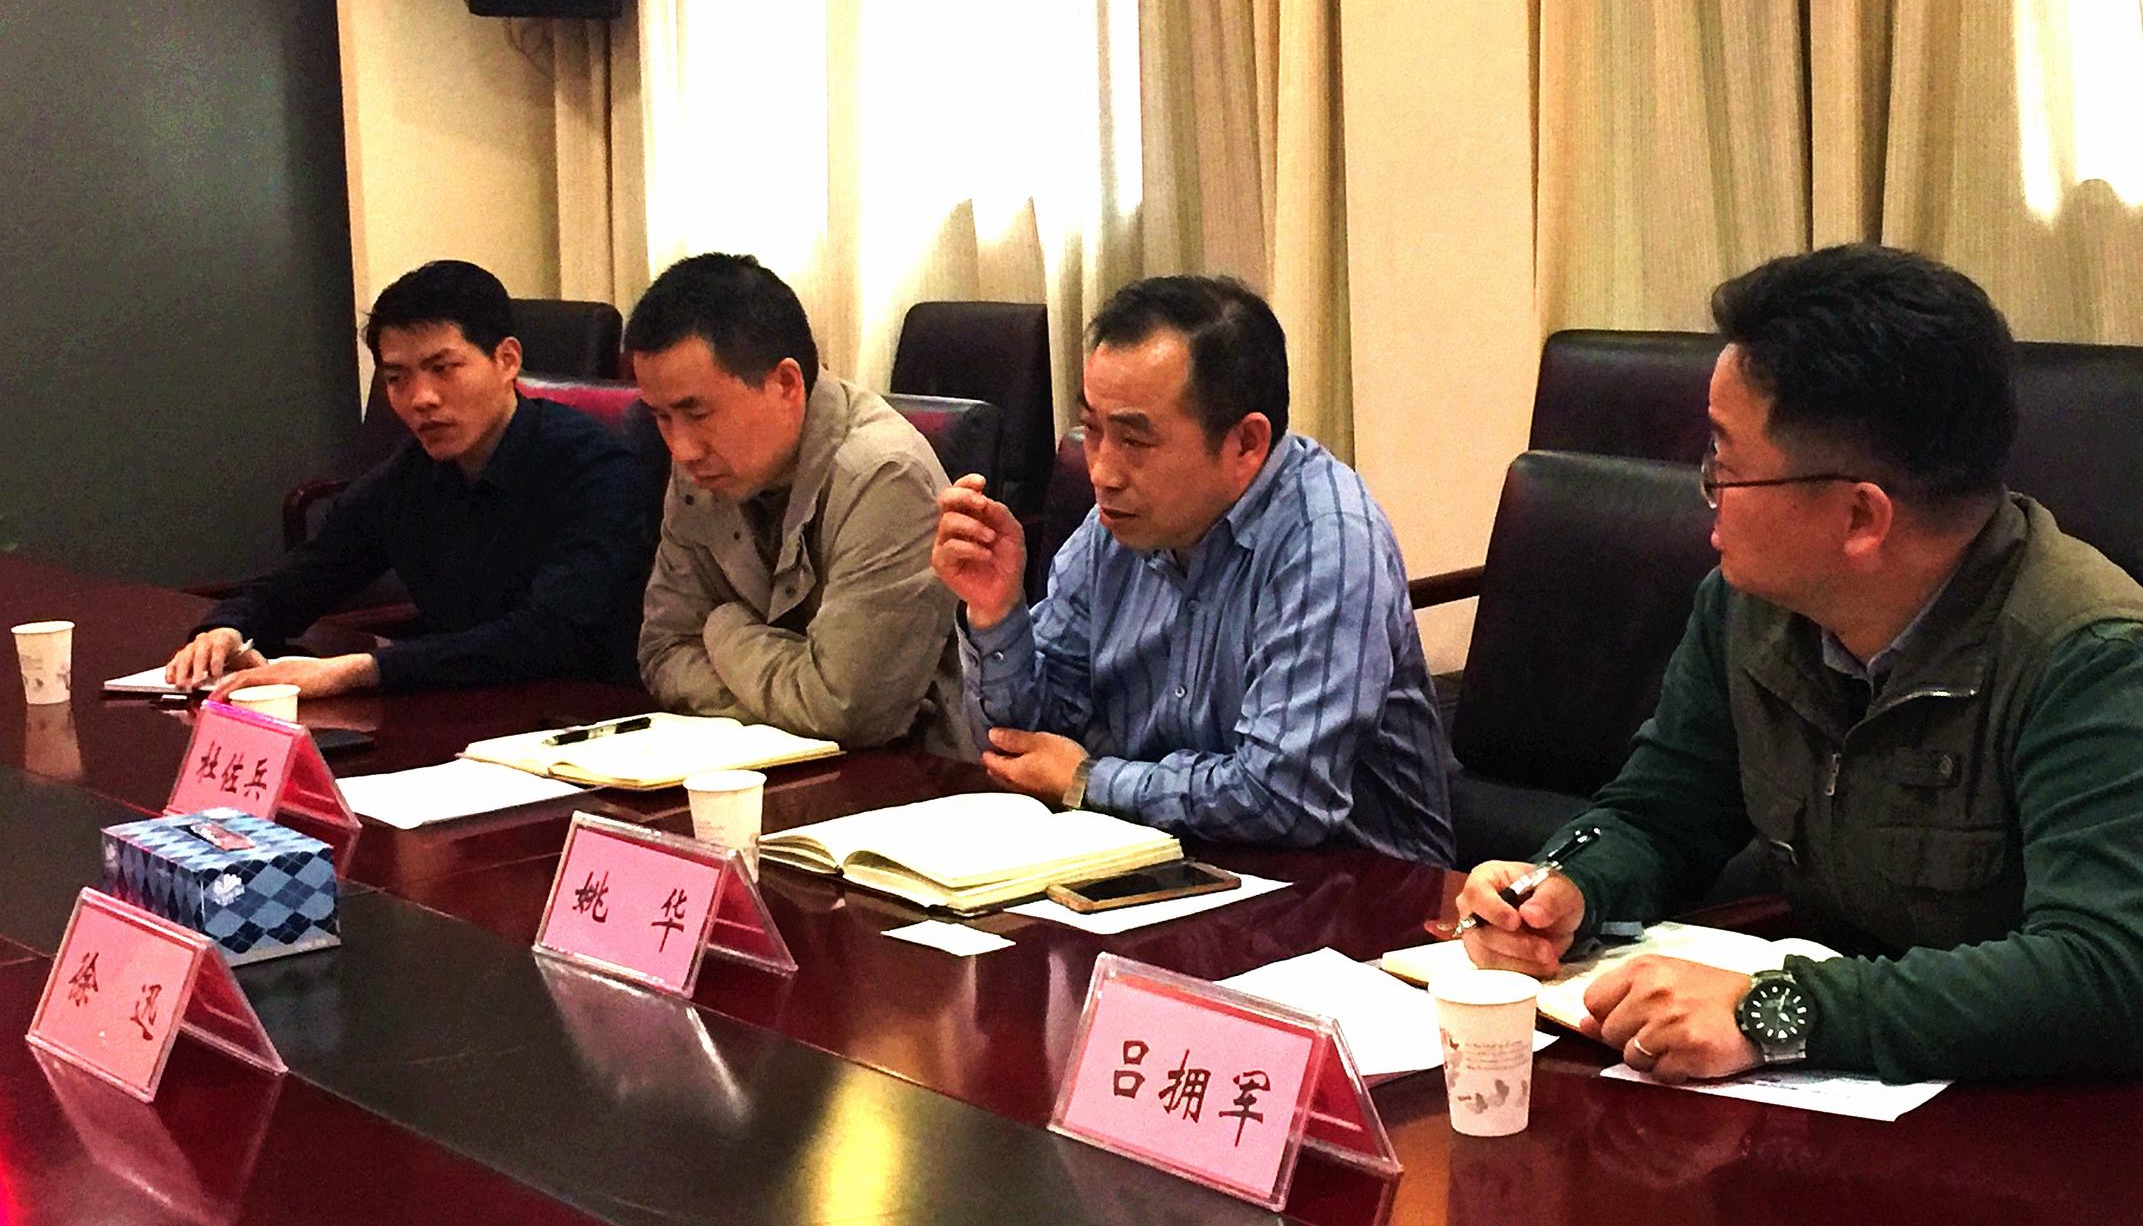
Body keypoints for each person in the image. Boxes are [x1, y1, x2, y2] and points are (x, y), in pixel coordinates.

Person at [1456, 244, 2143, 1083]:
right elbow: (1662, 811)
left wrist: (1770, 1012)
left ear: (1860, 517)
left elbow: (2102, 979)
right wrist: (1566, 888)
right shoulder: (1750, 607)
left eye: (1725, 467)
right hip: (1891, 1071)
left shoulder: (2100, 665)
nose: (1704, 492)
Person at [932, 274, 1455, 865]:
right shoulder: (1117, 527)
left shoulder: (1327, 540)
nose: (1102, 471)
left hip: (1355, 888)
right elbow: (1030, 745)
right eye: (1093, 430)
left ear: (1245, 445)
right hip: (1163, 863)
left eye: (1134, 440)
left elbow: (1283, 797)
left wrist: (1089, 780)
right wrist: (997, 612)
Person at [171, 261, 655, 698]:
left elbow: (549, 636)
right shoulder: (413, 472)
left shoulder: (595, 467)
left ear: (507, 360)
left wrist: (357, 670)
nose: (421, 398)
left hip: (583, 716)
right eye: (397, 378)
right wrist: (227, 629)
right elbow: (308, 574)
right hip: (459, 708)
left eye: (443, 369)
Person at [630, 253, 963, 749]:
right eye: (660, 417)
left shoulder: (885, 475)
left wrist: (723, 628)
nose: (682, 449)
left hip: (905, 778)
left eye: (697, 414)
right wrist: (794, 700)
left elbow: (846, 712)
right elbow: (662, 651)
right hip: (752, 765)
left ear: (786, 384)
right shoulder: (705, 465)